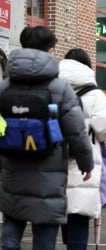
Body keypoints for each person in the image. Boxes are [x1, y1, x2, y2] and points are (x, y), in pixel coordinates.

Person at [0, 26, 93, 250]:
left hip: (12, 165)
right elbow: (76, 131)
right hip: (49, 168)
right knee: (45, 229)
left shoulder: (4, 87)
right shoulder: (59, 87)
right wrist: (85, 163)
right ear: (49, 49)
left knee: (13, 219)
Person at [59, 48, 106, 250]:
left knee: (62, 207)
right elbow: (104, 128)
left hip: (53, 157)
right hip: (84, 160)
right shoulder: (95, 94)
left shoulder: (52, 85)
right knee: (79, 211)